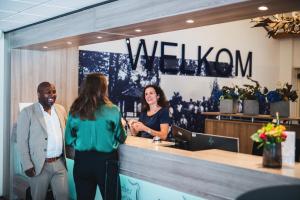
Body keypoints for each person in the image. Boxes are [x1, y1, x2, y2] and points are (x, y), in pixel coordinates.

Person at [65, 73, 127, 200]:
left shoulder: (75, 109)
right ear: (102, 88)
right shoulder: (112, 110)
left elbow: (68, 139)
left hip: (82, 162)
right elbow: (121, 137)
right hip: (106, 163)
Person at [16, 82, 69, 200]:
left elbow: (68, 132)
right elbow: (22, 141)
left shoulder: (61, 109)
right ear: (39, 94)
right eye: (48, 92)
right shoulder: (27, 112)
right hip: (39, 165)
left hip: (60, 163)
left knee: (64, 196)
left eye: (54, 91)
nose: (52, 95)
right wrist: (27, 164)